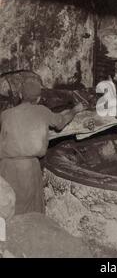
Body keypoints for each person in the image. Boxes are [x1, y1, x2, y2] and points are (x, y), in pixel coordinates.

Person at [0, 78, 85, 215]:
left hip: (5, 167)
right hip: (27, 168)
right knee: (29, 212)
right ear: (38, 98)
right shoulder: (42, 111)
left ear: (20, 95)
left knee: (6, 209)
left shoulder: (5, 115)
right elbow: (61, 122)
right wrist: (75, 110)